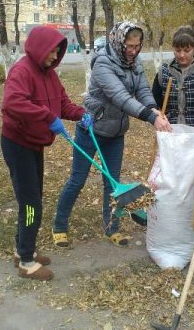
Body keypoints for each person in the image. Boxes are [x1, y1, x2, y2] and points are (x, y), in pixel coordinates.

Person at [54, 21, 171, 248]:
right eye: (129, 46)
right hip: (91, 130)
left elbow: (142, 90)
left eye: (137, 46)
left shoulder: (135, 62)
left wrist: (153, 108)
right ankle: (59, 225)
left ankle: (112, 228)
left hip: (116, 133)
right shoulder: (102, 63)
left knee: (112, 184)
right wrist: (150, 117)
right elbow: (120, 97)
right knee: (77, 181)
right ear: (118, 41)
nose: (133, 50)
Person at [1, 25, 88, 281]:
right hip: (18, 144)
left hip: (34, 143)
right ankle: (26, 261)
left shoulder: (49, 75)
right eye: (52, 51)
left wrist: (81, 114)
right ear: (40, 48)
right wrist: (48, 117)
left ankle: (21, 249)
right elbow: (13, 102)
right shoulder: (22, 71)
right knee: (31, 204)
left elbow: (63, 103)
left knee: (33, 198)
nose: (55, 56)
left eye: (58, 52)